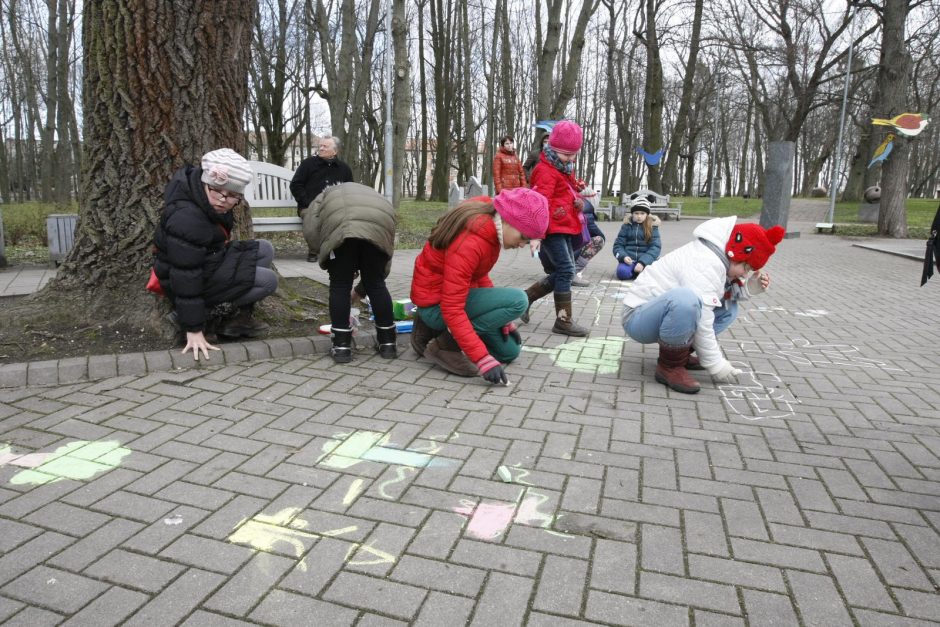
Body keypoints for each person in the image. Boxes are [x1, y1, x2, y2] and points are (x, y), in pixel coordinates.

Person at [622, 217, 783, 394]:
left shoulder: (717, 258)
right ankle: (669, 366)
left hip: (657, 315)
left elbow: (720, 295)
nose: (745, 274)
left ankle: (680, 355)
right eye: (746, 268)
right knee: (686, 299)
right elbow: (704, 319)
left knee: (728, 308)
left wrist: (751, 288)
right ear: (736, 254)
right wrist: (715, 363)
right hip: (637, 317)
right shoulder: (705, 262)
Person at [410, 188, 549, 384]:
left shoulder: (490, 225)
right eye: (523, 238)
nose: (522, 245)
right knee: (519, 300)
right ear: (510, 220)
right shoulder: (471, 241)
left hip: (452, 297)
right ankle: (443, 345)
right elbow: (452, 307)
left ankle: (440, 333)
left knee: (509, 352)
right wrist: (482, 359)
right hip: (436, 305)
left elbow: (479, 275)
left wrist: (502, 317)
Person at [153, 148, 277, 361]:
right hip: (187, 279)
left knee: (264, 248)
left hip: (209, 260)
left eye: (232, 196)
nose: (223, 200)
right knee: (268, 281)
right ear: (205, 183)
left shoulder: (202, 197)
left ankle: (237, 319)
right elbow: (185, 274)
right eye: (218, 191)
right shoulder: (188, 218)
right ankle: (208, 314)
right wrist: (193, 328)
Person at [304, 182, 397, 363]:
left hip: (342, 229)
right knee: (377, 284)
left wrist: (329, 259)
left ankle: (341, 347)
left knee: (340, 284)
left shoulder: (323, 196)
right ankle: (388, 344)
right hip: (379, 223)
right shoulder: (372, 194)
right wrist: (369, 282)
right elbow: (386, 247)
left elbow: (311, 230)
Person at [524, 120, 590, 336]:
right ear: (552, 149)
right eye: (566, 155)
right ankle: (563, 320)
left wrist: (578, 199)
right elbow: (539, 204)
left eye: (573, 155)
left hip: (565, 226)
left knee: (565, 270)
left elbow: (567, 192)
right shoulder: (545, 170)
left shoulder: (563, 167)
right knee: (566, 270)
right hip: (551, 229)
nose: (570, 159)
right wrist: (536, 235)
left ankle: (526, 298)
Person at [290, 136, 353, 262]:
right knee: (313, 216)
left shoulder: (344, 168)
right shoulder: (308, 164)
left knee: (346, 217)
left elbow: (349, 189)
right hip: (310, 206)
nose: (321, 148)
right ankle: (314, 250)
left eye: (325, 146)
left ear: (335, 151)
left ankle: (341, 250)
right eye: (321, 146)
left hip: (335, 206)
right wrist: (307, 202)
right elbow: (296, 185)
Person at [612, 198, 662, 281]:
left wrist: (642, 262)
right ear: (632, 214)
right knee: (622, 273)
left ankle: (639, 271)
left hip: (646, 260)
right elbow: (618, 245)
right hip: (629, 260)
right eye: (636, 213)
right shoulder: (626, 226)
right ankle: (635, 272)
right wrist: (623, 257)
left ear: (647, 214)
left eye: (642, 213)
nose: (639, 216)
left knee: (653, 276)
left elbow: (655, 247)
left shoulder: (653, 227)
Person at [571, 189, 606, 287]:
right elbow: (600, 236)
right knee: (598, 241)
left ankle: (563, 271)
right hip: (566, 256)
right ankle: (572, 272)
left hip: (551, 258)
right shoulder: (586, 212)